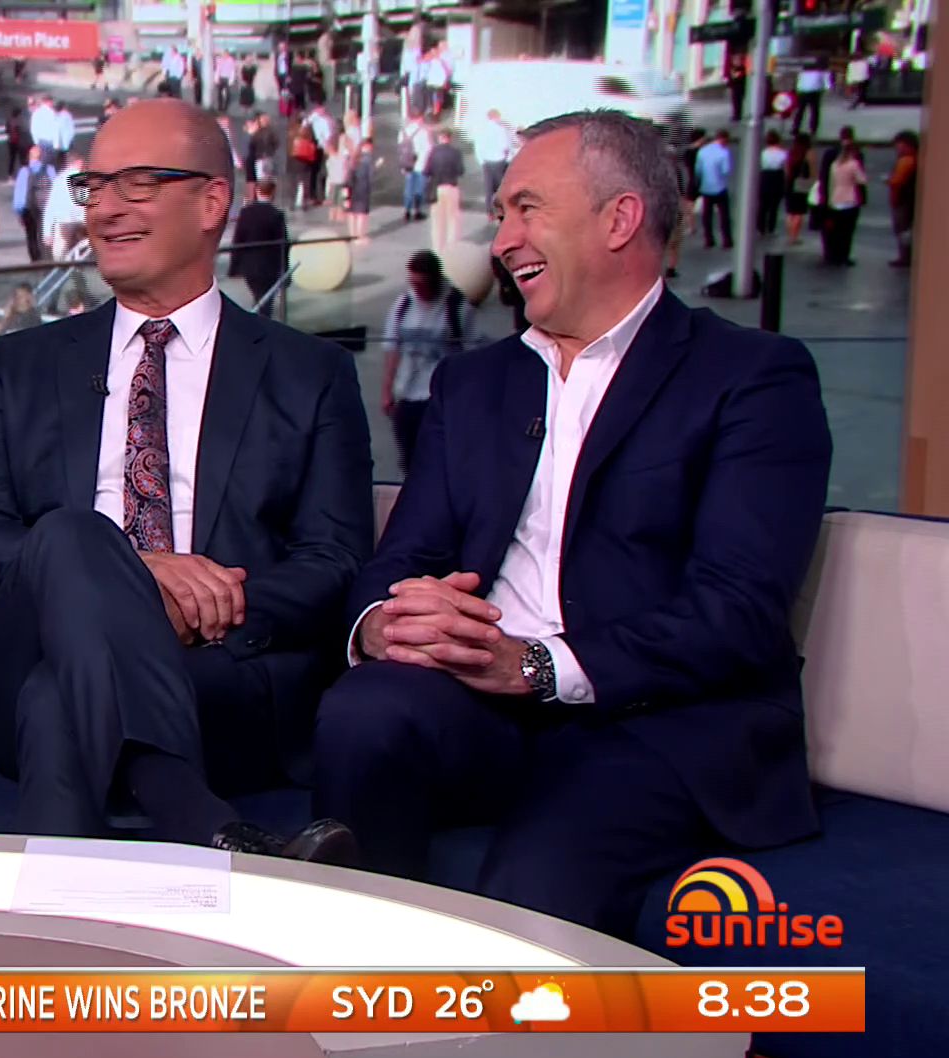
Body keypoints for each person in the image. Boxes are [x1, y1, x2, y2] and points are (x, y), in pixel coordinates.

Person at [313, 110, 832, 935]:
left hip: (658, 723)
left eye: (527, 209)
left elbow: (738, 610)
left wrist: (538, 666)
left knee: (534, 884)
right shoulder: (473, 385)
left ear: (619, 219)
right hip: (480, 708)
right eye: (501, 215)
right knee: (362, 713)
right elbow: (402, 558)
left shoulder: (752, 378)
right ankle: (358, 982)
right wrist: (389, 623)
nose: (501, 241)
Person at [0, 99, 373, 860]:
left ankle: (79, 904)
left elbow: (334, 562)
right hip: (21, 647)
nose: (105, 209)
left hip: (216, 673)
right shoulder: (22, 365)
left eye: (136, 183)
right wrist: (130, 575)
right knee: (74, 535)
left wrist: (196, 606)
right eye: (94, 185)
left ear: (211, 202)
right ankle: (202, 821)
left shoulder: (311, 374)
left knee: (58, 697)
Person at [380, 249, 475, 474]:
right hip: (407, 395)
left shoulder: (456, 307)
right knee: (410, 460)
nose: (417, 290)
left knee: (438, 459)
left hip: (439, 397)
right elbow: (393, 347)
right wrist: (387, 390)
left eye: (421, 284)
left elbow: (471, 356)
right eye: (413, 283)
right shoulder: (404, 304)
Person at [228, 177, 287, 317]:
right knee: (265, 301)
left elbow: (238, 241)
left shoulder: (246, 213)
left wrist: (233, 267)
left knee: (259, 297)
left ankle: (257, 321)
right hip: (269, 266)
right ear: (273, 192)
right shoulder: (276, 214)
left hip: (249, 266)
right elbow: (283, 244)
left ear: (257, 191)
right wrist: (284, 269)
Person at [14, 145, 56, 264]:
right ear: (42, 157)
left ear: (29, 157)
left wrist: (19, 213)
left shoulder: (24, 171)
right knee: (45, 233)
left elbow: (19, 198)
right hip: (46, 208)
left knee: (31, 235)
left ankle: (35, 261)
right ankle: (46, 259)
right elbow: (55, 189)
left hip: (29, 209)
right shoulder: (50, 169)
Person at [425, 128, 466, 247]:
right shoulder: (456, 152)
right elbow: (461, 171)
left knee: (437, 221)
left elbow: (427, 171)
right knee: (452, 219)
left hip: (437, 189)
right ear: (450, 138)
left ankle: (437, 247)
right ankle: (451, 246)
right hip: (452, 187)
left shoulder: (433, 152)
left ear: (439, 138)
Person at [695, 129, 733, 249]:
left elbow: (698, 170)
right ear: (724, 139)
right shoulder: (724, 152)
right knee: (724, 216)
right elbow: (726, 171)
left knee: (707, 216)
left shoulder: (703, 151)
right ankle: (727, 240)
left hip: (706, 188)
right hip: (720, 187)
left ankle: (709, 240)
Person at [889, 130, 918, 269]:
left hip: (902, 200)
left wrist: (889, 181)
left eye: (899, 145)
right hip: (908, 200)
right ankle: (906, 256)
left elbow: (897, 181)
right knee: (906, 229)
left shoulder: (906, 161)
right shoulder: (914, 159)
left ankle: (905, 257)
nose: (897, 148)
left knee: (902, 229)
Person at [784, 131, 815, 247]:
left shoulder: (791, 152)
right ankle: (794, 236)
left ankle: (790, 235)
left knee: (790, 212)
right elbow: (812, 170)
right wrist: (814, 181)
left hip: (790, 183)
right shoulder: (808, 153)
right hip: (802, 183)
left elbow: (786, 169)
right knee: (799, 212)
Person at [757, 130, 787, 237]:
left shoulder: (763, 153)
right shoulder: (783, 153)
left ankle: (760, 227)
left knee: (763, 205)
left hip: (765, 176)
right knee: (774, 206)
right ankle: (771, 228)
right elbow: (785, 167)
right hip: (777, 177)